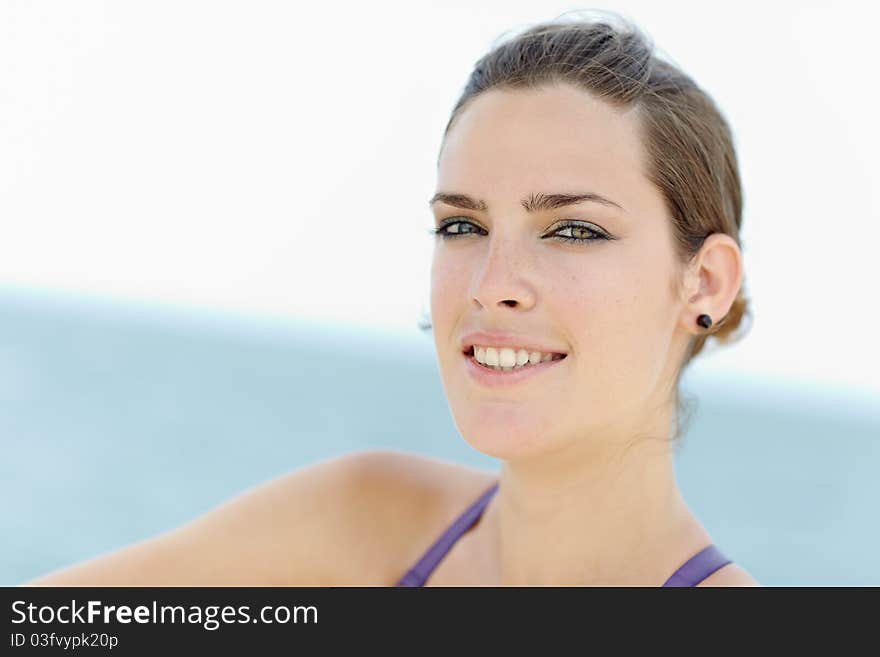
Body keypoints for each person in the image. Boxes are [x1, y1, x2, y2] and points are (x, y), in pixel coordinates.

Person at [27, 11, 758, 587]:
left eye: (572, 229)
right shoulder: (358, 524)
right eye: (463, 225)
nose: (491, 282)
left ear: (705, 282)